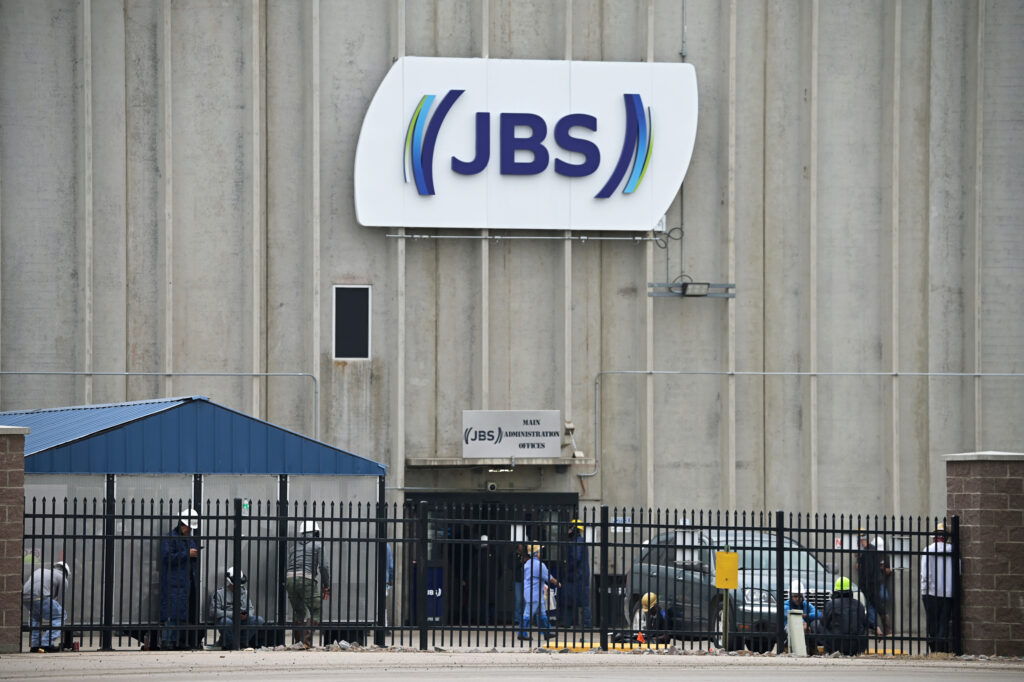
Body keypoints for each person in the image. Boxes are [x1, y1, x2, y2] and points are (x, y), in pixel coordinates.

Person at [160, 508, 201, 650]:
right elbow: (167, 558)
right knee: (171, 613)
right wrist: (187, 553)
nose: (189, 530)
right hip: (173, 582)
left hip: (186, 582)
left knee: (182, 613)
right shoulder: (170, 537)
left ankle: (177, 641)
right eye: (188, 527)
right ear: (183, 525)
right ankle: (167, 641)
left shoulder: (188, 539)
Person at [285, 520, 331, 648]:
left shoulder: (294, 547)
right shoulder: (318, 545)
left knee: (298, 612)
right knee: (316, 610)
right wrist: (326, 585)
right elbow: (324, 566)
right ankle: (306, 643)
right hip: (306, 579)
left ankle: (298, 643)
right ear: (316, 532)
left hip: (290, 579)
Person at [211, 567, 265, 649]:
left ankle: (242, 643)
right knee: (225, 622)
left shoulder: (244, 592)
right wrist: (233, 614)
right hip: (228, 619)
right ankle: (232, 644)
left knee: (259, 620)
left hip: (242, 619)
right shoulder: (219, 593)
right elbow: (213, 611)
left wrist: (246, 614)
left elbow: (250, 608)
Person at [921, 522, 955, 653]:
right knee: (944, 622)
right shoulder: (952, 549)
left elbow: (925, 573)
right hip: (947, 592)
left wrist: (926, 588)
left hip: (930, 593)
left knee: (932, 622)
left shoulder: (928, 550)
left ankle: (934, 649)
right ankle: (942, 649)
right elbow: (958, 571)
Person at [22, 561, 70, 652]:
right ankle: (47, 644)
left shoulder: (40, 570)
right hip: (41, 597)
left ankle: (35, 645)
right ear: (66, 572)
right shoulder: (63, 578)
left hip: (26, 598)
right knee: (60, 616)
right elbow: (60, 600)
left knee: (35, 618)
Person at [519, 544, 560, 642]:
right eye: (540, 551)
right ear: (536, 553)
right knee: (528, 614)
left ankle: (547, 632)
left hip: (532, 592)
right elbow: (548, 577)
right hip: (535, 593)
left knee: (542, 613)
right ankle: (522, 633)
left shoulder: (528, 563)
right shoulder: (538, 565)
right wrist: (557, 583)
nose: (541, 553)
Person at [819, 576, 868, 655]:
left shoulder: (831, 604)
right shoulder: (859, 604)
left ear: (836, 592)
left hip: (836, 645)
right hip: (856, 645)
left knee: (816, 624)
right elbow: (864, 623)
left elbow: (823, 622)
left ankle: (827, 650)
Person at [560, 519, 592, 628]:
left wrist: (567, 569)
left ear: (574, 529)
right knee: (577, 601)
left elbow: (575, 558)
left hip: (576, 576)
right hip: (579, 576)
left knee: (577, 601)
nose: (568, 531)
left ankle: (584, 624)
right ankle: (570, 622)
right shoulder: (579, 541)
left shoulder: (577, 542)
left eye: (570, 528)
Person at [855, 529, 887, 636]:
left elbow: (868, 569)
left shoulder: (868, 551)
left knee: (873, 605)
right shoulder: (868, 550)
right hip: (872, 583)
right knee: (874, 605)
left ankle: (880, 628)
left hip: (870, 584)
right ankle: (880, 628)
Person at [782, 580, 820, 651]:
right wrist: (802, 622)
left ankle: (812, 648)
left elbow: (818, 614)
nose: (797, 598)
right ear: (791, 596)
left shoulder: (806, 604)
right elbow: (793, 615)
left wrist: (806, 616)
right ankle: (789, 646)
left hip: (806, 628)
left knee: (816, 624)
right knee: (796, 627)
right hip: (789, 627)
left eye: (799, 596)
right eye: (795, 596)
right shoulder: (786, 605)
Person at [511, 543, 526, 628]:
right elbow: (511, 566)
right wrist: (520, 562)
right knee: (518, 600)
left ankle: (525, 619)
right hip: (518, 580)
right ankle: (517, 619)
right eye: (521, 545)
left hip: (526, 580)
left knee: (525, 600)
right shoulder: (513, 555)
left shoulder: (526, 555)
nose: (522, 546)